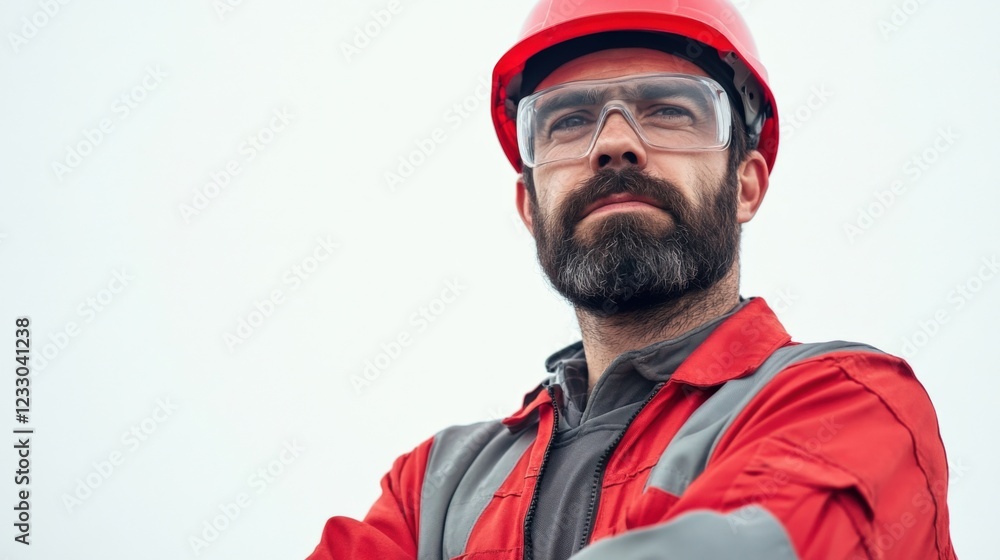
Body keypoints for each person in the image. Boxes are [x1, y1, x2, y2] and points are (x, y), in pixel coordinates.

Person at [308, 0, 956, 558]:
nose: (614, 144)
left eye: (670, 110)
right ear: (529, 209)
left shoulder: (848, 406)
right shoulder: (433, 490)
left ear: (746, 186)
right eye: (567, 121)